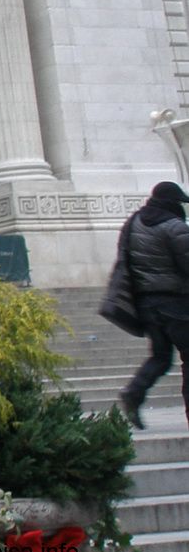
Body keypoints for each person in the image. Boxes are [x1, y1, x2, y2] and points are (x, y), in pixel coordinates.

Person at [117, 181, 189, 430]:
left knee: (160, 357)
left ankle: (133, 393)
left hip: (146, 303)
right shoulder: (174, 227)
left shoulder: (134, 223)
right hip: (175, 304)